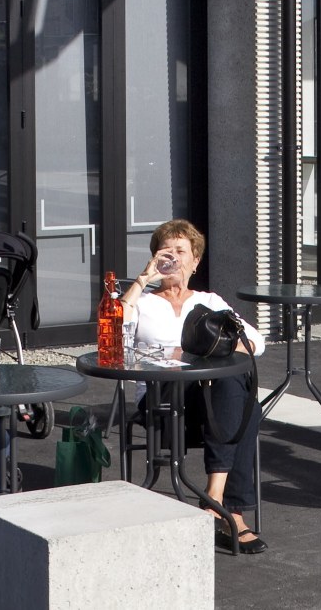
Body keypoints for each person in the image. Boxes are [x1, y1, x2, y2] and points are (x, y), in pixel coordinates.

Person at [120, 219, 267, 556]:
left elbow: (254, 340)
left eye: (180, 251)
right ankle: (232, 513)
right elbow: (114, 331)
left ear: (195, 262)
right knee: (247, 408)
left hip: (208, 406)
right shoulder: (143, 302)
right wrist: (143, 280)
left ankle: (215, 499)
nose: (172, 257)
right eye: (165, 251)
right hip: (162, 401)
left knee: (236, 389)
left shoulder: (211, 302)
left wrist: (218, 353)